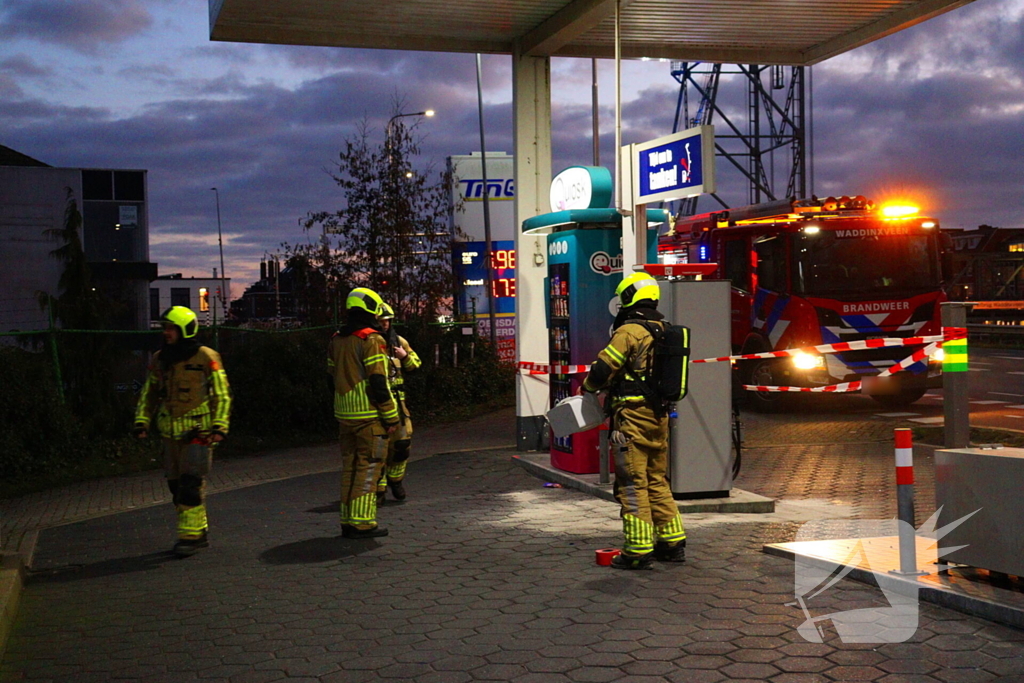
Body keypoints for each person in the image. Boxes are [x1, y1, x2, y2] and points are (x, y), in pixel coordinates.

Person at [581, 272, 686, 570]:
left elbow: (604, 368)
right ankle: (672, 543)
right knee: (656, 480)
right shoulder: (662, 328)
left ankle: (638, 550)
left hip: (632, 417)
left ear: (629, 297)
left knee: (632, 483)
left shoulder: (629, 331)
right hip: (658, 416)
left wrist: (587, 387)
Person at [133, 306, 232, 557]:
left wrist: (220, 426)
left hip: (198, 433)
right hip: (169, 434)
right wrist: (142, 421)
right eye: (165, 328)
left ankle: (190, 537)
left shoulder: (206, 356)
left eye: (171, 328)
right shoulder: (160, 359)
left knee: (190, 484)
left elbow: (222, 394)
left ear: (185, 330)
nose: (166, 333)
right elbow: (149, 392)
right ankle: (199, 529)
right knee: (176, 487)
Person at [328, 287, 400, 539]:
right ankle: (362, 523)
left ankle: (347, 520)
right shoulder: (371, 339)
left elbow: (330, 376)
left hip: (344, 415)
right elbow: (378, 381)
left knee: (350, 468)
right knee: (368, 469)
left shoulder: (336, 339)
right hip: (369, 416)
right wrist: (391, 416)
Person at [376, 303, 422, 505]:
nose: (385, 324)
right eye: (381, 321)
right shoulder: (368, 343)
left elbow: (416, 365)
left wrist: (405, 357)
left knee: (402, 446)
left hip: (399, 406)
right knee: (378, 449)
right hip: (377, 405)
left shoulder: (399, 341)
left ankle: (396, 481)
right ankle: (379, 489)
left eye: (387, 320)